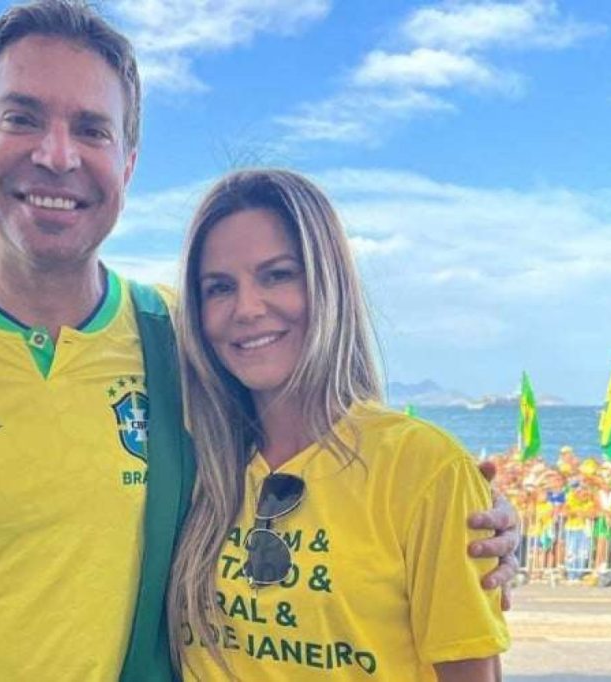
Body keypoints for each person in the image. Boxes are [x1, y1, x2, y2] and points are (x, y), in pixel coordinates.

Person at [0, 2, 519, 681]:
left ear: (127, 164)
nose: (57, 155)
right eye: (22, 117)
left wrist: (471, 522)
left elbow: (331, 453)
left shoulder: (181, 339)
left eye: (92, 128)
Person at [167, 169, 509, 680]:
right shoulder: (191, 463)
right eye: (219, 288)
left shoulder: (424, 468)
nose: (246, 308)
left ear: (328, 283)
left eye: (277, 275)